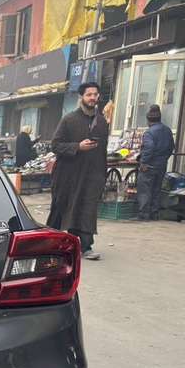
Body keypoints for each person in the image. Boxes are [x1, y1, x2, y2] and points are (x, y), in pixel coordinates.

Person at [47, 81, 109, 261]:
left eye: (95, 95)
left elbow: (103, 150)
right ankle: (50, 243)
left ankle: (86, 246)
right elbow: (55, 145)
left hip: (92, 174)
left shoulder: (102, 122)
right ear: (81, 97)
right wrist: (78, 146)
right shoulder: (69, 119)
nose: (93, 98)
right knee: (61, 207)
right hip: (68, 174)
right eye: (89, 94)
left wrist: (102, 175)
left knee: (87, 208)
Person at [136, 105, 175, 221]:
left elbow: (149, 148)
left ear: (148, 120)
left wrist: (143, 162)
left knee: (145, 190)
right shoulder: (167, 130)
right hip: (161, 165)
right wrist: (164, 159)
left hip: (149, 166)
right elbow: (171, 147)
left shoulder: (149, 133)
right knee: (156, 189)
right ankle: (154, 213)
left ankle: (144, 214)